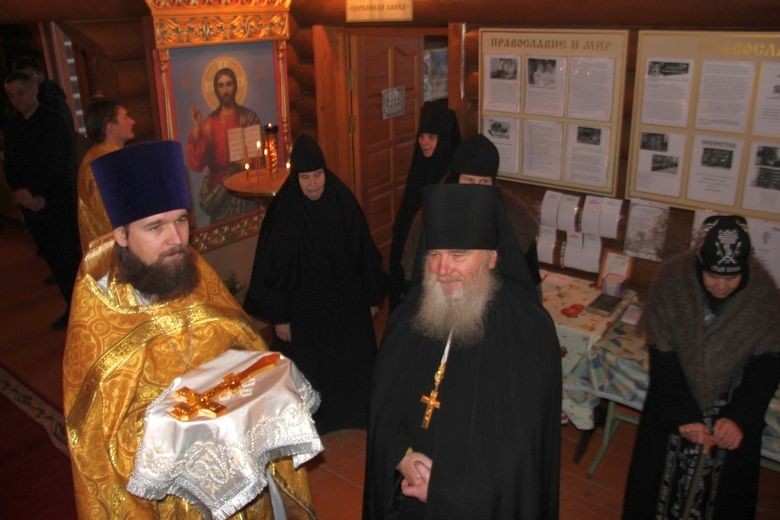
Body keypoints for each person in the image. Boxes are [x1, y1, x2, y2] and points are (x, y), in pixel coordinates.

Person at [62, 140, 314, 518]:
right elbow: (97, 443)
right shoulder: (97, 313)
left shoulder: (187, 269)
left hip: (242, 467)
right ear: (121, 234)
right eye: (155, 226)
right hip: (172, 501)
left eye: (181, 220)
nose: (176, 239)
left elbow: (242, 341)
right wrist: (185, 433)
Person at [364, 184, 561, 519]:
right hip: (408, 491)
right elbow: (383, 405)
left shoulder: (529, 332)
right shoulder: (408, 318)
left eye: (458, 256)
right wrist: (401, 455)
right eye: (434, 255)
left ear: (492, 257)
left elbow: (520, 453)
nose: (443, 269)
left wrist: (445, 489)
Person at [623, 215, 780, 519]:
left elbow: (768, 366)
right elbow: (663, 355)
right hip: (675, 400)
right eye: (712, 275)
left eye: (732, 278)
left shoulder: (763, 296)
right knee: (655, 492)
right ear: (699, 263)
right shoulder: (673, 282)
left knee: (722, 498)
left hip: (731, 406)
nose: (721, 286)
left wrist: (739, 418)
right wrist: (682, 414)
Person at [243, 135, 386, 434]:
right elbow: (271, 266)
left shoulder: (342, 201)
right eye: (305, 177)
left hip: (345, 305)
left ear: (325, 172)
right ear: (296, 178)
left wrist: (372, 297)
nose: (312, 184)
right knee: (310, 370)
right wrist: (280, 318)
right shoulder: (284, 212)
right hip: (303, 314)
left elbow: (363, 251)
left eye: (317, 175)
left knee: (349, 365)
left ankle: (353, 414)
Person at [3, 70, 80, 329]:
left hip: (57, 201)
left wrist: (40, 195)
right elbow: (10, 165)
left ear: (34, 89)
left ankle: (83, 309)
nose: (17, 100)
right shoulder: (13, 126)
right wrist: (20, 191)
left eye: (21, 93)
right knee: (50, 255)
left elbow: (61, 163)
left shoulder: (52, 120)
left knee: (68, 258)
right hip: (30, 205)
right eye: (11, 96)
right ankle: (71, 305)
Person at [446, 134, 542, 292]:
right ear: (457, 180)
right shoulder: (437, 210)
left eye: (484, 182)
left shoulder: (517, 218)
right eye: (469, 180)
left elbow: (531, 283)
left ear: (493, 183)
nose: (476, 189)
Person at [388, 102, 460, 309]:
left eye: (432, 137)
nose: (424, 143)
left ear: (444, 139)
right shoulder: (419, 168)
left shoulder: (452, 180)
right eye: (421, 136)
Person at [186, 67, 261, 223]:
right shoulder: (209, 123)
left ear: (235, 86)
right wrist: (198, 126)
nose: (225, 90)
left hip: (245, 183)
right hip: (220, 190)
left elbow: (258, 152)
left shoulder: (248, 116)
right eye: (221, 85)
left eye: (229, 84)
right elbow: (197, 162)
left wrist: (250, 160)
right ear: (215, 89)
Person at [76, 98, 135, 251]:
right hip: (113, 249)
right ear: (110, 127)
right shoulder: (106, 162)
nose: (132, 121)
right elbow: (110, 217)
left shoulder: (99, 155)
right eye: (125, 117)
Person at [12, 54, 75, 133]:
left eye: (27, 78)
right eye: (18, 80)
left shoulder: (52, 100)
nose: (22, 84)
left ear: (41, 76)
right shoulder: (22, 103)